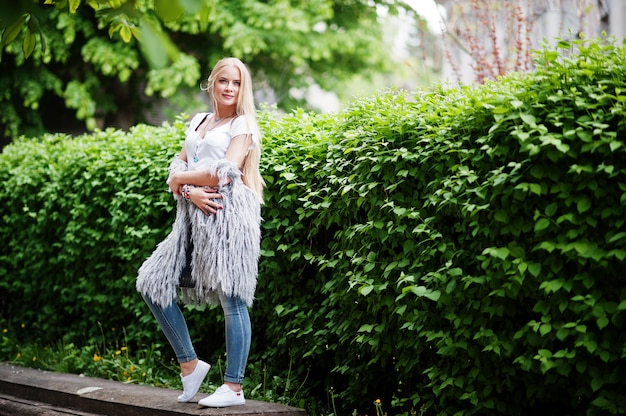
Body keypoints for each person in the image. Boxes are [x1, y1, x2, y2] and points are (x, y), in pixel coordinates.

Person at [136, 57, 264, 408]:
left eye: (236, 83)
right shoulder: (200, 121)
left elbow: (225, 172)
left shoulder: (244, 124)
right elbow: (178, 166)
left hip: (227, 219)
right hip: (191, 220)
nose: (229, 88)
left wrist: (180, 180)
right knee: (152, 282)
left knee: (233, 301)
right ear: (211, 83)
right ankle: (190, 365)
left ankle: (233, 387)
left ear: (242, 89)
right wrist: (185, 187)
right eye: (223, 80)